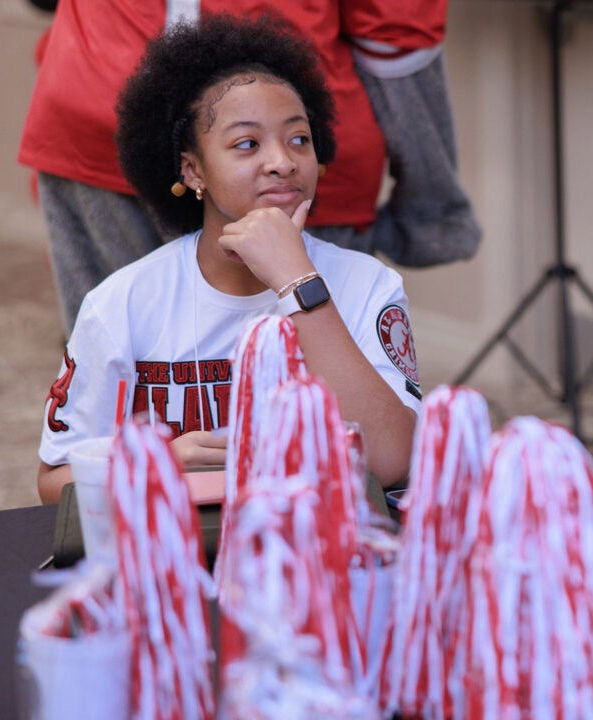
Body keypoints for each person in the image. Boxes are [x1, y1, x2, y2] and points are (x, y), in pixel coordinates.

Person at [36, 14, 421, 504]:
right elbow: (53, 484)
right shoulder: (121, 303)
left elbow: (393, 462)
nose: (283, 160)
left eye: (299, 138)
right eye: (247, 144)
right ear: (192, 169)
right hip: (177, 560)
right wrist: (158, 463)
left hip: (320, 560)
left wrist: (296, 280)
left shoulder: (368, 285)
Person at [18, 0, 458, 335]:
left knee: (129, 390)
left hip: (96, 94)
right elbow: (398, 33)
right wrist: (433, 210)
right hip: (114, 114)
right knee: (308, 407)